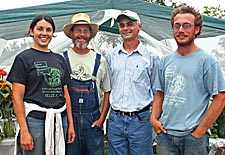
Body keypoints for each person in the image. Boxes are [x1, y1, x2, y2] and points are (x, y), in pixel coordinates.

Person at [150, 6, 225, 155]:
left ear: (197, 29)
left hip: (193, 138)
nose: (181, 30)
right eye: (176, 26)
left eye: (186, 26)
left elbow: (220, 97)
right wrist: (154, 119)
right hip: (165, 136)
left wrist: (200, 131)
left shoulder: (207, 61)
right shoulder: (165, 61)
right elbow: (160, 93)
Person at [6, 14, 75, 155]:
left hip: (59, 120)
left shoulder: (59, 59)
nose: (44, 33)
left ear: (53, 33)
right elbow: (17, 97)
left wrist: (70, 125)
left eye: (48, 30)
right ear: (32, 31)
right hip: (34, 121)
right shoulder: (23, 58)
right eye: (40, 29)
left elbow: (66, 94)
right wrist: (24, 130)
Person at [106, 10, 160, 155]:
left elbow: (158, 93)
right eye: (122, 25)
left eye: (130, 24)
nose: (125, 28)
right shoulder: (111, 56)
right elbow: (108, 88)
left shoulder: (151, 58)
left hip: (140, 120)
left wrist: (154, 118)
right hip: (115, 119)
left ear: (139, 27)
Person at [62, 13, 111, 155]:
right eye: (78, 30)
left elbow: (107, 91)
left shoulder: (100, 60)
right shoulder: (62, 59)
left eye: (85, 31)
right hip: (70, 119)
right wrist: (69, 123)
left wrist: (101, 119)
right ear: (71, 33)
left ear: (90, 34)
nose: (81, 34)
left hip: (93, 119)